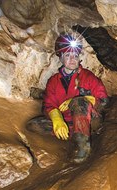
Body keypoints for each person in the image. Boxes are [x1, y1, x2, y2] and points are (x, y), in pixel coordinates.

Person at [30, 32, 108, 163]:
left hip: (90, 121)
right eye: (67, 55)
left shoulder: (88, 77)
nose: (72, 59)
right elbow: (49, 105)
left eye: (75, 55)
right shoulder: (53, 81)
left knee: (78, 102)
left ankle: (82, 149)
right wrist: (57, 119)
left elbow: (104, 100)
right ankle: (72, 134)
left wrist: (81, 100)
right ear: (60, 58)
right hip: (69, 122)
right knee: (33, 125)